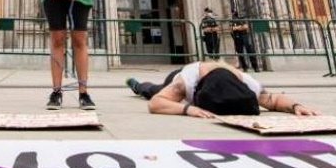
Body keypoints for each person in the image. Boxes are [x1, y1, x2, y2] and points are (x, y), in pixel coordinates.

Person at [125, 61, 319, 118]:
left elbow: (274, 100)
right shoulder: (185, 82)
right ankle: (136, 84)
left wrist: (296, 106)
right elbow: (156, 103)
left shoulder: (246, 83)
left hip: (211, 77)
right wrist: (188, 109)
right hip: (179, 76)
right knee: (153, 90)